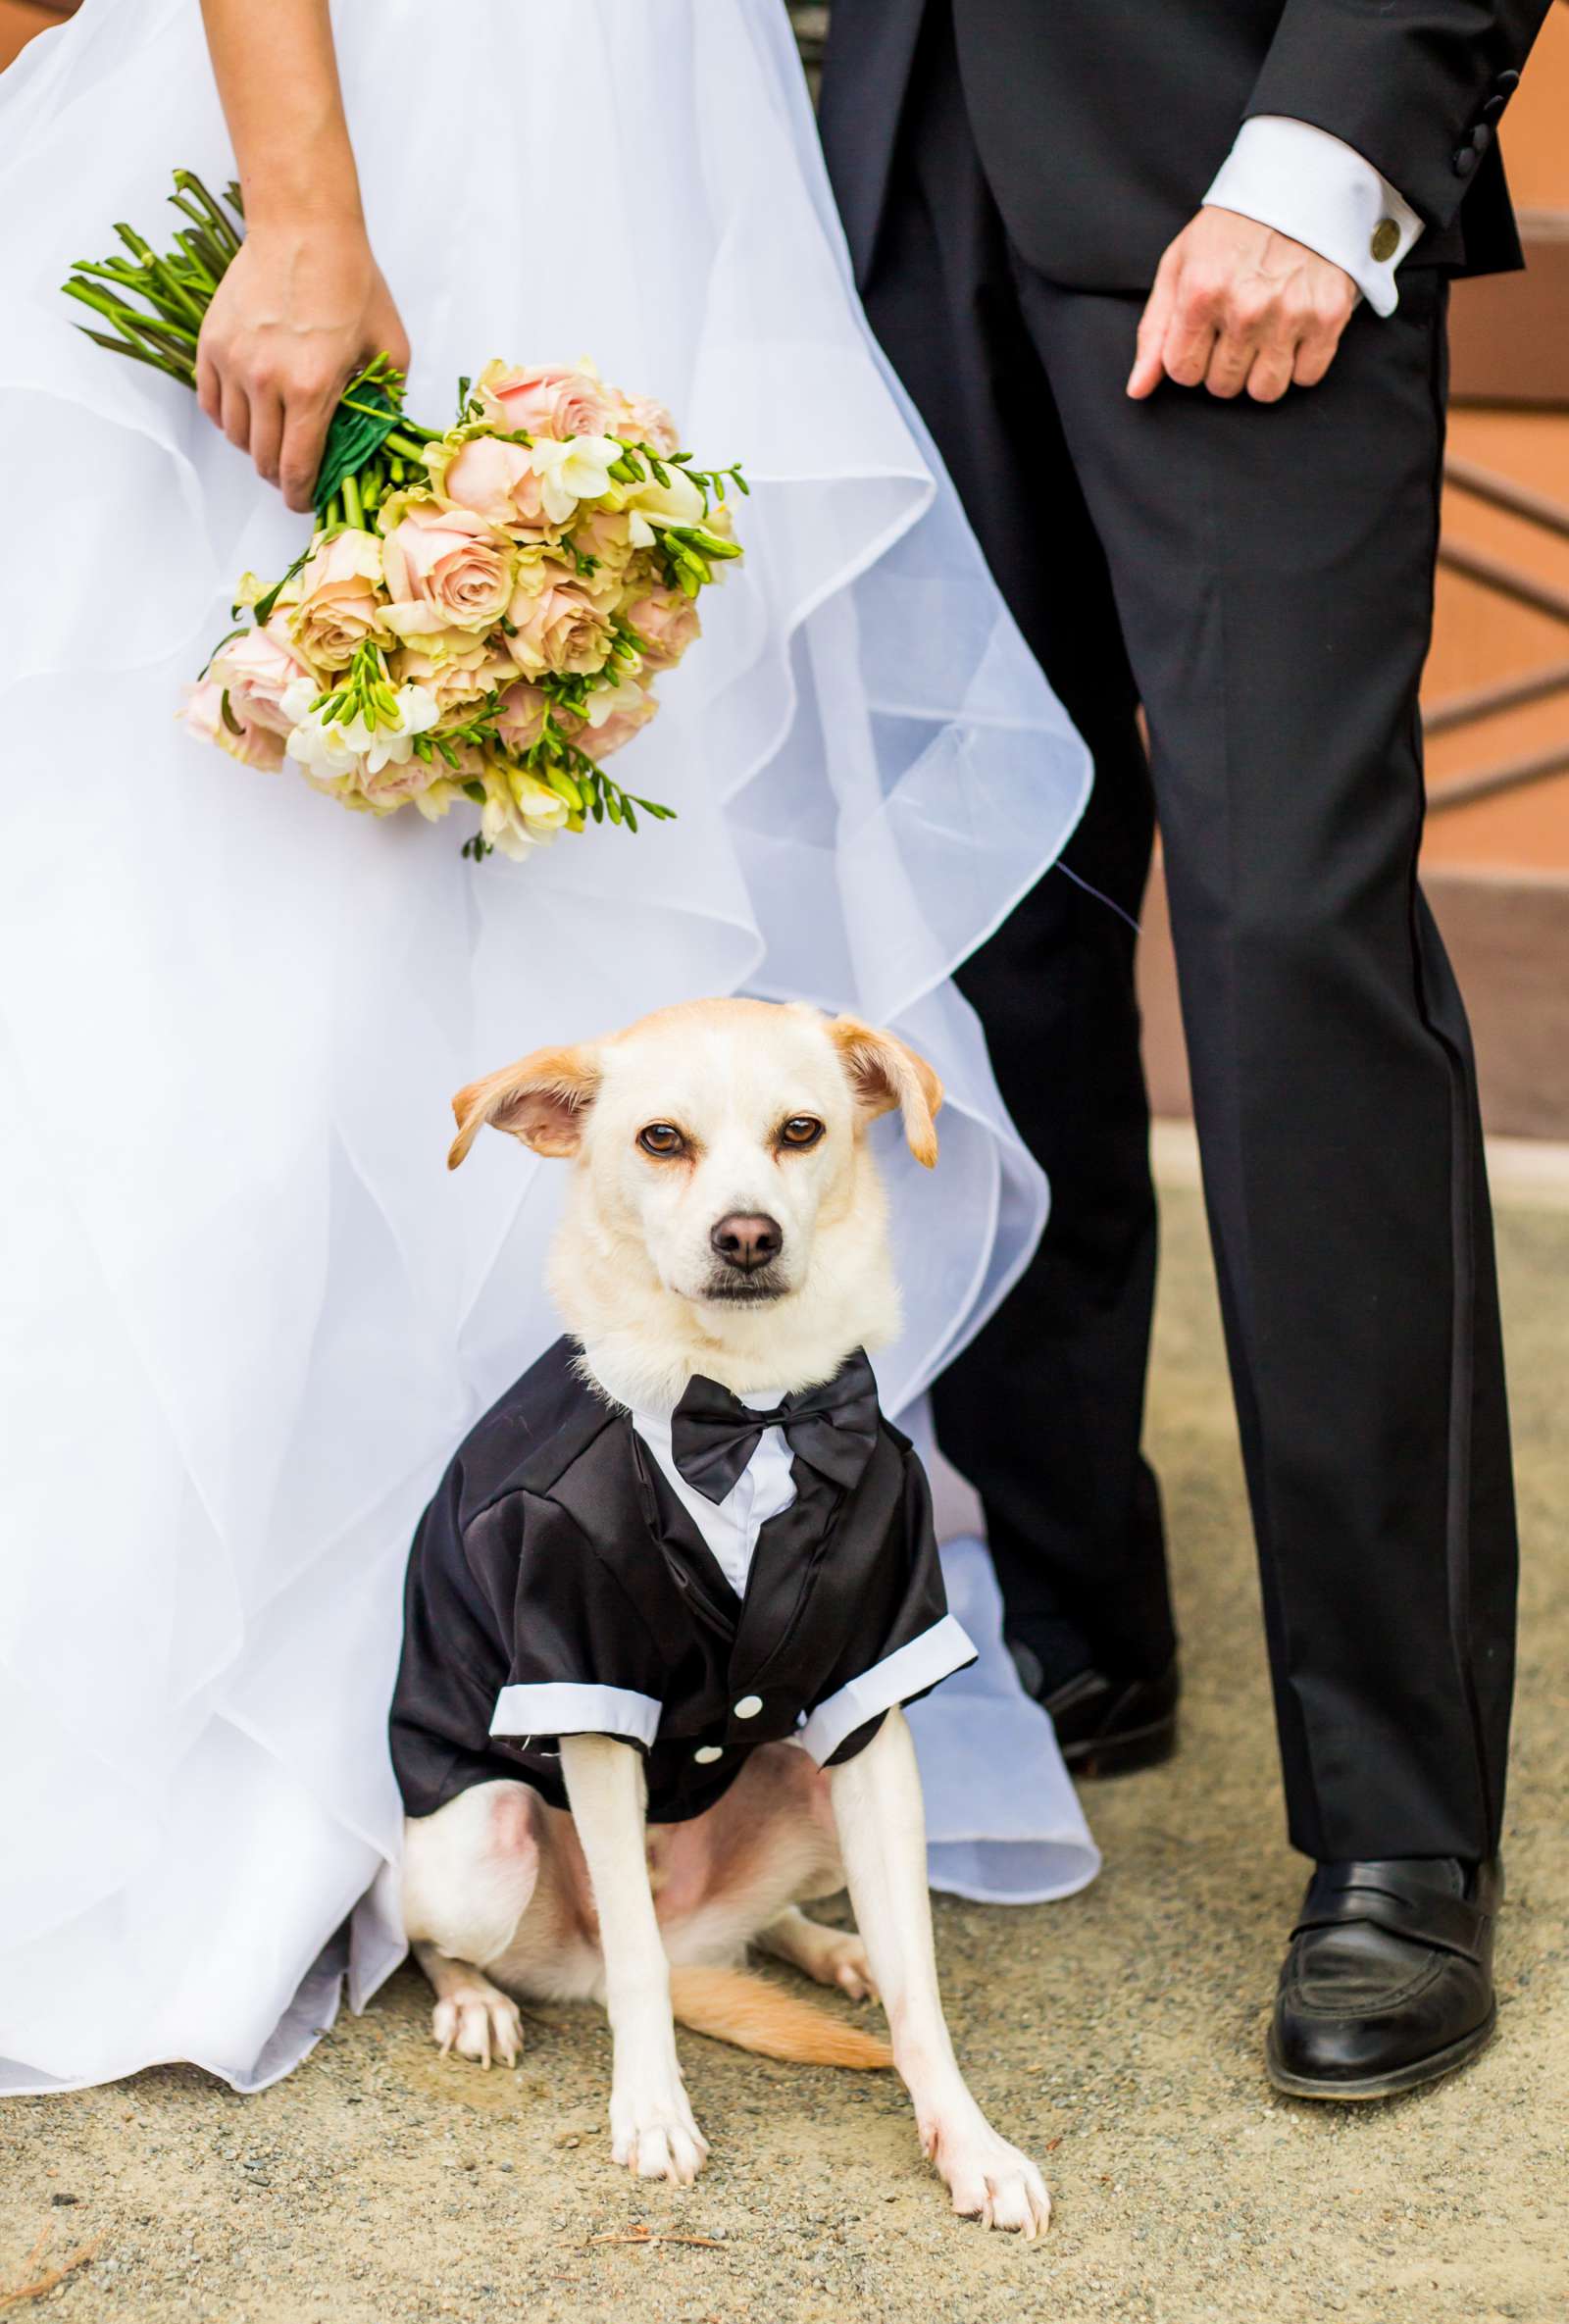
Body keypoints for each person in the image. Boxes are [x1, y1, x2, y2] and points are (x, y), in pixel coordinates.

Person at [0, 0, 1100, 2099]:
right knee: (262, 931)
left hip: (649, 135)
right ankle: (235, 1731)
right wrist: (305, 212)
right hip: (386, 122)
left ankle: (512, 1706)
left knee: (571, 872)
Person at [820, 0, 1550, 2098]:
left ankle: (1398, 1817)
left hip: (1232, 157)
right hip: (868, 162)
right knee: (991, 933)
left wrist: (1331, 147)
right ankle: (1070, 1614)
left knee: (1286, 959)